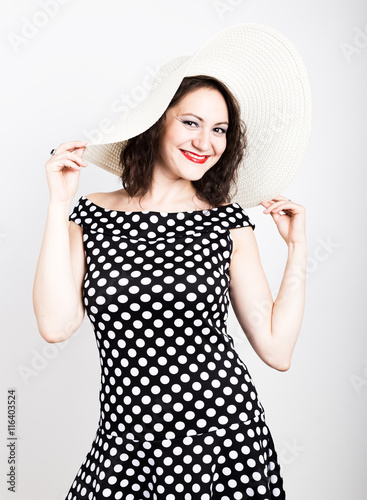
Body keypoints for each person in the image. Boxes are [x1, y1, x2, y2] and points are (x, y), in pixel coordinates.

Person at [33, 23, 311, 499]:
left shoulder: (227, 221)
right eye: (191, 122)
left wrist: (298, 249)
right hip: (125, 446)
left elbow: (276, 349)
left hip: (221, 442)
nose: (206, 142)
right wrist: (58, 204)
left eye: (220, 129)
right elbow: (56, 324)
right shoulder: (93, 213)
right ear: (157, 122)